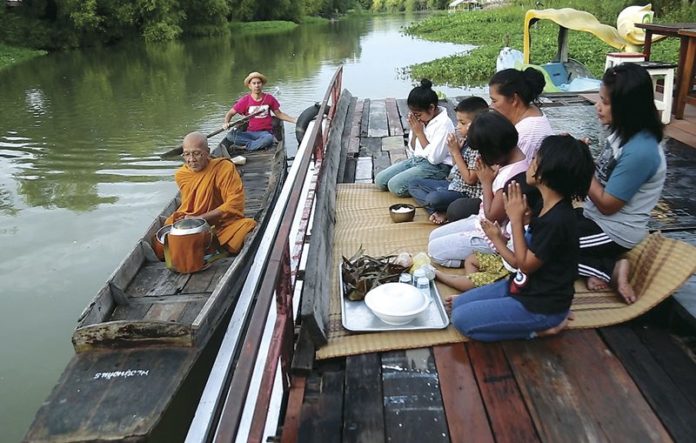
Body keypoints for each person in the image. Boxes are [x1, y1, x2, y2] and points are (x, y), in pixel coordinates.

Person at [450, 135, 595, 342]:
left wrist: (516, 220)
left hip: (539, 304)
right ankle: (539, 318)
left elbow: (525, 265)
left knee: (460, 319)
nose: (530, 162)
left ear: (549, 172)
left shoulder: (558, 220)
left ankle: (545, 327)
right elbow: (519, 263)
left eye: (535, 159)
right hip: (520, 286)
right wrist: (498, 238)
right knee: (457, 304)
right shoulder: (544, 207)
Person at [577, 63, 666, 304]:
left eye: (605, 102)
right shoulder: (623, 133)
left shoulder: (641, 151)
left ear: (628, 108)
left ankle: (610, 268)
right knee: (541, 222)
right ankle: (597, 263)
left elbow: (607, 204)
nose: (598, 106)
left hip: (613, 230)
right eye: (600, 99)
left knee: (542, 248)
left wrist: (580, 165)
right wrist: (579, 155)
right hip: (594, 218)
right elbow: (604, 176)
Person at [446, 67, 553, 221]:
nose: (491, 106)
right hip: (497, 189)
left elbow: (514, 183)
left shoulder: (526, 133)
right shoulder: (530, 112)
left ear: (514, 99)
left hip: (516, 202)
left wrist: (487, 180)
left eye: (495, 100)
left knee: (456, 209)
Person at [427, 110, 529, 268]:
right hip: (480, 221)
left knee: (434, 251)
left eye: (482, 151)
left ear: (494, 149)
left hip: (494, 236)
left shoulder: (513, 180)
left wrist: (486, 182)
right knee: (433, 236)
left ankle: (493, 262)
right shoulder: (509, 160)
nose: (480, 155)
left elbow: (492, 217)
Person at [166, 132, 257, 254]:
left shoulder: (224, 168)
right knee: (164, 237)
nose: (191, 160)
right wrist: (191, 221)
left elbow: (235, 202)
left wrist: (201, 218)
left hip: (221, 224)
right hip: (191, 225)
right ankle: (204, 246)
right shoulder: (181, 175)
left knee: (247, 226)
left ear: (207, 152)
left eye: (197, 153)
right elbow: (190, 205)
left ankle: (199, 247)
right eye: (186, 154)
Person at [407, 97, 488, 225]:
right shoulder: (466, 140)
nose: (457, 126)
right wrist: (454, 151)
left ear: (476, 124)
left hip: (466, 193)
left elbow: (470, 180)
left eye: (461, 122)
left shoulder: (479, 146)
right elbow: (456, 170)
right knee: (413, 184)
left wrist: (455, 152)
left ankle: (440, 210)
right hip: (453, 184)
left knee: (434, 198)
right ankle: (437, 212)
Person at [375, 79, 454, 197]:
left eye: (418, 114)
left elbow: (435, 159)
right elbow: (412, 149)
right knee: (380, 181)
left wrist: (420, 133)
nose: (417, 118)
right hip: (417, 160)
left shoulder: (444, 124)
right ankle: (418, 182)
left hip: (437, 167)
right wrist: (415, 131)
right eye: (414, 114)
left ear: (432, 108)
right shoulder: (422, 120)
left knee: (395, 186)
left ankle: (433, 184)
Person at [223, 72, 296, 151]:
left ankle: (246, 147)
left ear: (262, 84)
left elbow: (279, 114)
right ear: (250, 86)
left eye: (259, 83)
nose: (257, 85)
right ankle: (256, 144)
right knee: (230, 136)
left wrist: (294, 120)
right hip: (250, 133)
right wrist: (226, 122)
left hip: (265, 133)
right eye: (254, 83)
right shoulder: (245, 100)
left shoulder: (269, 98)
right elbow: (230, 113)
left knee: (269, 138)